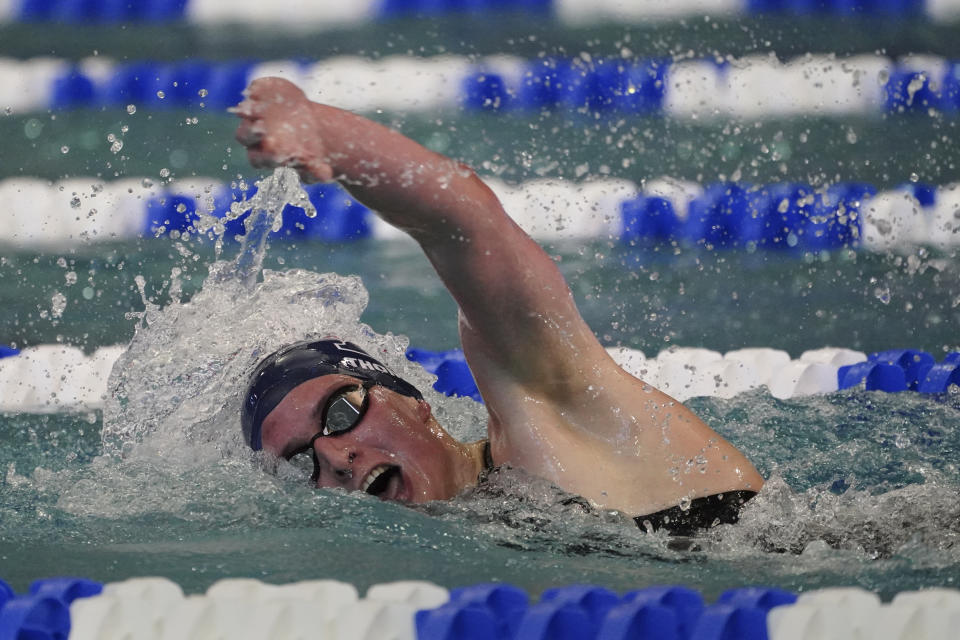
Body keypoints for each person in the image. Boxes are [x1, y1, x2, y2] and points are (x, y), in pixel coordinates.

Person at [233, 77, 764, 535]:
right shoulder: (458, 539)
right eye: (301, 462)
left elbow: (465, 223)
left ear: (413, 401)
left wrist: (324, 132)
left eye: (341, 411)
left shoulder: (550, 415)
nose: (333, 457)